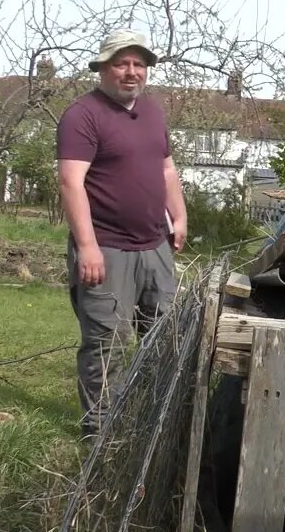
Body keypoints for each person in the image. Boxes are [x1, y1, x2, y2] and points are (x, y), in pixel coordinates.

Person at [56, 29, 188, 437]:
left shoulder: (152, 112)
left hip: (155, 246)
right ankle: (100, 433)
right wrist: (87, 247)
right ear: (103, 68)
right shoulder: (83, 114)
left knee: (163, 338)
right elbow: (70, 183)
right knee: (105, 344)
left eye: (139, 64)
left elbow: (166, 168)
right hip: (106, 249)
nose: (132, 72)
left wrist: (179, 217)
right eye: (122, 63)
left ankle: (151, 424)